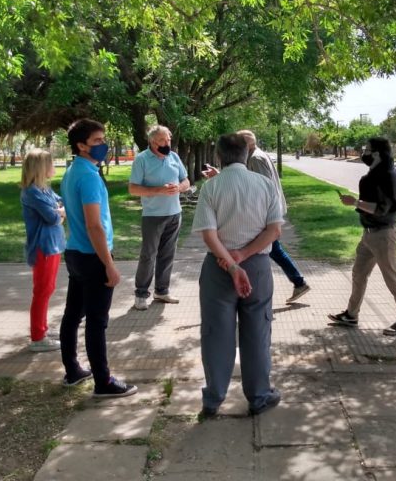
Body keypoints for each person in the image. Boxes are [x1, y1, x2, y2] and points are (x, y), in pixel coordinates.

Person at [192, 133, 283, 417]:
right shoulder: (266, 186)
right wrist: (243, 257)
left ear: (219, 156)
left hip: (219, 267)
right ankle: (258, 396)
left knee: (216, 332)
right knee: (257, 330)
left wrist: (231, 263)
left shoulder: (212, 187)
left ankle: (214, 398)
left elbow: (208, 234)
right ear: (246, 154)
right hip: (256, 265)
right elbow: (274, 230)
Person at [59, 119, 137, 398]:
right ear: (81, 146)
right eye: (96, 141)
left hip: (75, 253)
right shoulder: (89, 176)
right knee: (96, 321)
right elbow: (94, 225)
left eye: (103, 139)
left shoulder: (72, 171)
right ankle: (103, 383)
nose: (103, 145)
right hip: (92, 257)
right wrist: (109, 264)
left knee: (72, 316)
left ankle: (72, 371)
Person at [203, 130, 311, 304]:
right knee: (274, 249)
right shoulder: (257, 155)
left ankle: (299, 281)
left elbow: (260, 185)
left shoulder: (256, 159)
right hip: (264, 211)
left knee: (272, 247)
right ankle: (298, 281)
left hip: (264, 212)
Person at [328, 137, 396, 336]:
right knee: (359, 273)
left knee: (392, 278)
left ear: (377, 154)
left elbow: (381, 209)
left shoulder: (386, 175)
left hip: (383, 235)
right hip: (369, 235)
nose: (363, 153)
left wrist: (354, 202)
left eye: (367, 150)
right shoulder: (378, 173)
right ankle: (351, 314)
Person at [129, 125, 190, 308]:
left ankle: (162, 291)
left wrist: (179, 187)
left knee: (167, 255)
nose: (167, 143)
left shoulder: (174, 156)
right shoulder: (142, 159)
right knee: (148, 255)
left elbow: (186, 180)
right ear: (152, 142)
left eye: (169, 140)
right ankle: (141, 294)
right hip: (153, 216)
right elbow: (133, 188)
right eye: (163, 140)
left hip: (174, 214)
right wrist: (159, 190)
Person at [20, 148, 66, 353]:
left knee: (48, 289)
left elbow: (62, 204)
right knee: (42, 291)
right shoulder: (32, 192)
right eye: (50, 163)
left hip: (54, 245)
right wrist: (61, 213)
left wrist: (60, 211)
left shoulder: (45, 189)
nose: (53, 166)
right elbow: (53, 217)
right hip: (43, 247)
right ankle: (38, 337)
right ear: (40, 168)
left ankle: (42, 329)